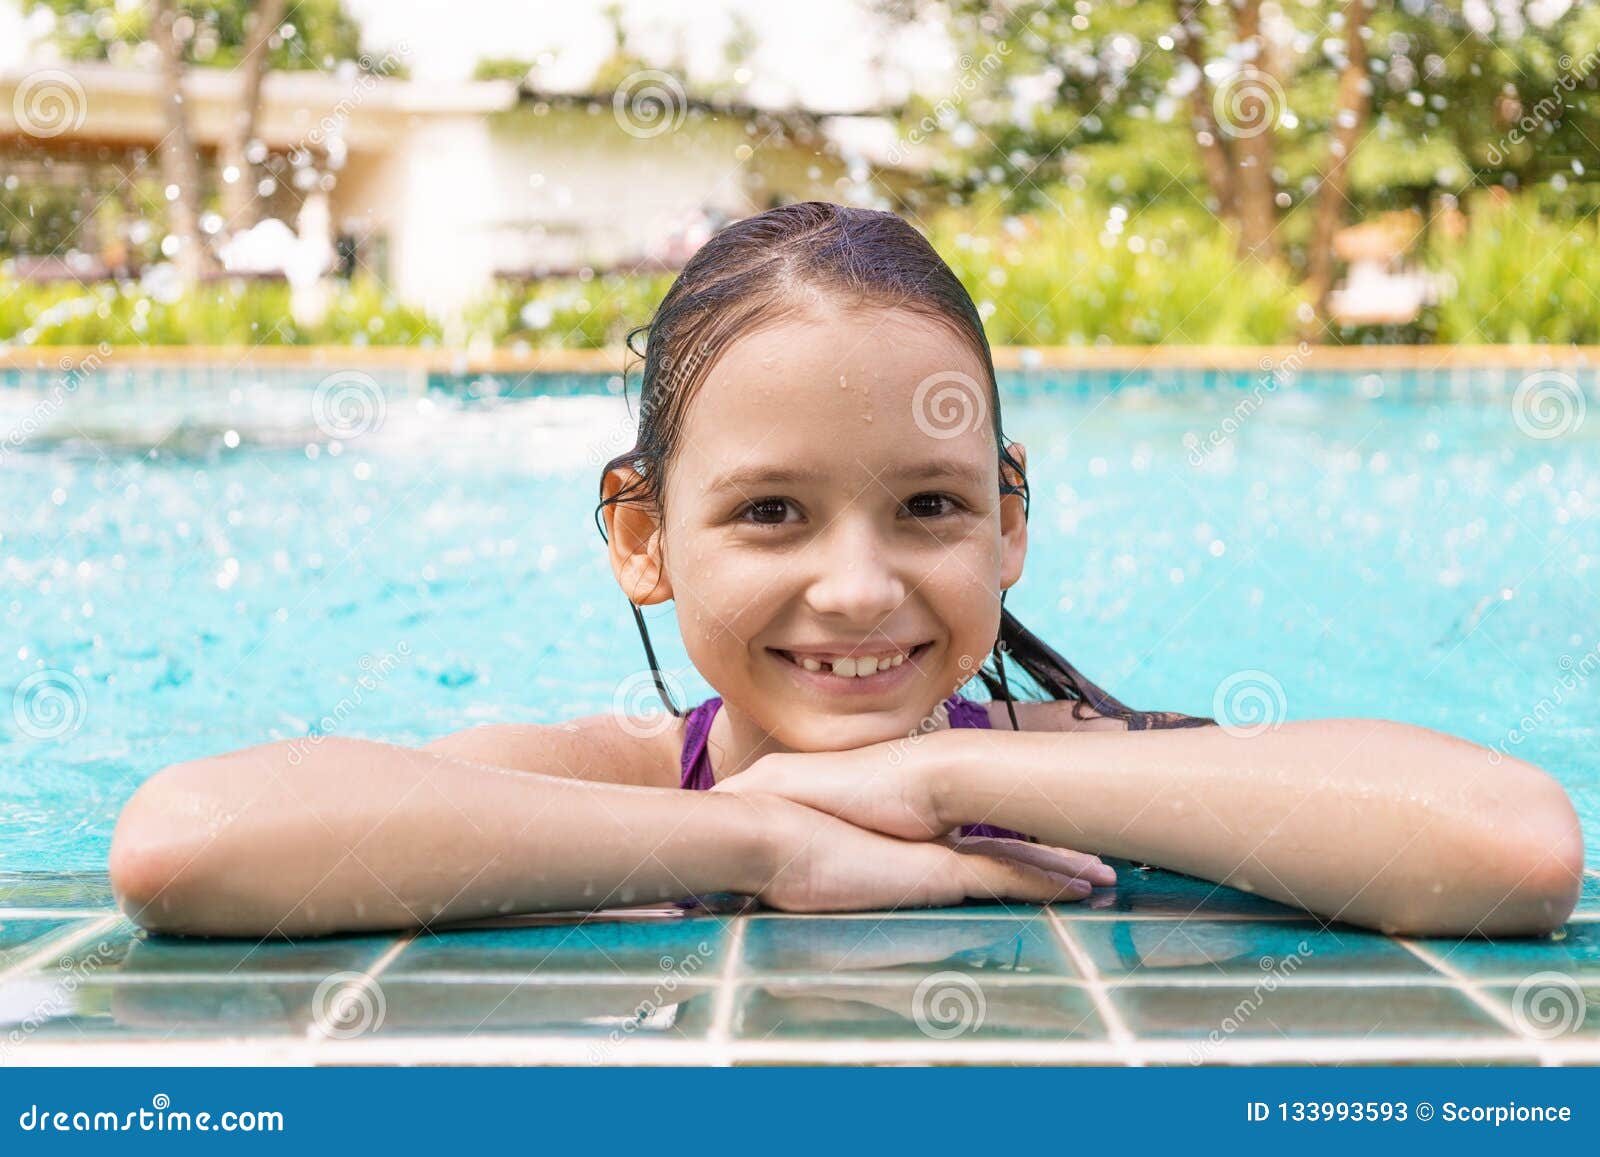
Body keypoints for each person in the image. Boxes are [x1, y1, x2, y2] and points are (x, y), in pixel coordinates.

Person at [109, 202, 1584, 939]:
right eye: (770, 515)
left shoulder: (1065, 765)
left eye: (930, 506)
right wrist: (758, 845)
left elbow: (1511, 846)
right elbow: (187, 842)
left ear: (1010, 524)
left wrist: (938, 782)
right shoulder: (605, 778)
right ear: (642, 538)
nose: (863, 587)